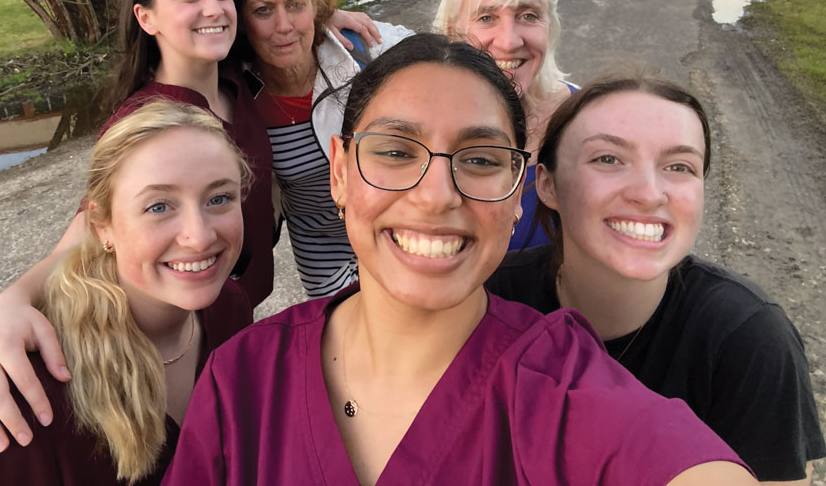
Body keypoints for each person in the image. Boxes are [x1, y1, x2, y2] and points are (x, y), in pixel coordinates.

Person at [162, 34, 755, 486]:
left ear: (519, 187)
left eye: (479, 160)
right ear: (340, 171)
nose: (438, 195)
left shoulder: (563, 390)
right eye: (396, 151)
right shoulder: (242, 379)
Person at [0, 0, 384, 452]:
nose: (212, 8)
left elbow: (280, 26)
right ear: (146, 18)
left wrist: (323, 20)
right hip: (173, 326)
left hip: (228, 313)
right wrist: (7, 303)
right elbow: (91, 226)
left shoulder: (233, 79)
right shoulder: (147, 121)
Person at [486, 73, 826, 484]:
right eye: (608, 159)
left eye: (679, 166)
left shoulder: (748, 338)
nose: (649, 194)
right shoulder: (490, 299)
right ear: (547, 184)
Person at [0, 102, 254, 485]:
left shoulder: (230, 310)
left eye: (219, 198)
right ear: (102, 226)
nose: (199, 236)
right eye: (159, 206)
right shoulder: (24, 390)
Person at [228, 0, 413, 298]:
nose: (283, 26)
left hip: (390, 226)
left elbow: (439, 59)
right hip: (319, 247)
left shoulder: (357, 52)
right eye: (263, 10)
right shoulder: (233, 90)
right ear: (243, 19)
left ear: (316, 6)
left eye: (295, 5)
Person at [435, 0, 574, 250]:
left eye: (528, 15)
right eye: (486, 18)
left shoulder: (586, 119)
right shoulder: (429, 126)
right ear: (454, 31)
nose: (510, 41)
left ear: (550, 26)